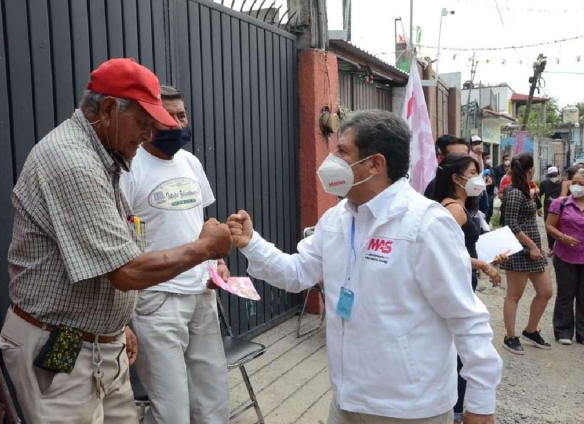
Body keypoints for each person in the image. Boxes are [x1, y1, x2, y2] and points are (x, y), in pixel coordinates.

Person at [227, 110, 503, 424]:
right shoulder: (337, 218)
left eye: (342, 151)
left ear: (375, 163)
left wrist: (480, 404)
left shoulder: (425, 225)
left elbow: (466, 317)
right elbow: (297, 273)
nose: (331, 160)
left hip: (408, 408)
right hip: (347, 398)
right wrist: (253, 244)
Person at [0, 59, 232, 424]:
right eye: (143, 123)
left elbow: (103, 257)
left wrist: (116, 323)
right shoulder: (72, 163)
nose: (149, 135)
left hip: (98, 344)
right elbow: (124, 271)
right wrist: (205, 248)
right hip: (62, 347)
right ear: (109, 109)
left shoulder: (104, 154)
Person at [120, 86, 229, 424]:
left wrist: (216, 262)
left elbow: (198, 224)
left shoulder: (190, 162)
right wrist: (123, 319)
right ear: (147, 121)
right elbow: (119, 246)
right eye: (168, 116)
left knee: (213, 399)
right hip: (156, 301)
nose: (178, 123)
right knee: (172, 411)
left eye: (182, 115)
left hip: (202, 293)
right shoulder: (129, 169)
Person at [434, 154, 503, 424]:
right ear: (456, 178)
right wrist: (483, 265)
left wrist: (488, 257)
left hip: (465, 279)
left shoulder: (462, 207)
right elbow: (448, 254)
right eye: (473, 172)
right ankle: (459, 409)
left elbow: (462, 248)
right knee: (462, 350)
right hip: (458, 282)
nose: (480, 178)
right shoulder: (454, 209)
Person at [500, 153, 553, 355]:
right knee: (515, 295)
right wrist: (531, 246)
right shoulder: (513, 192)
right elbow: (510, 224)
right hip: (519, 250)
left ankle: (530, 331)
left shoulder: (525, 190)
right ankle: (510, 336)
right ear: (530, 169)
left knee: (546, 291)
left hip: (534, 251)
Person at [545, 171, 584, 345]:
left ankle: (582, 333)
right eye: (574, 182)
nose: (577, 186)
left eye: (581, 183)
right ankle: (563, 331)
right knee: (566, 294)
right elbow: (549, 226)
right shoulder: (560, 204)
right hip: (565, 256)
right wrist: (562, 237)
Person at [424, 135, 470, 199]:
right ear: (443, 158)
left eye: (464, 156)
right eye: (455, 156)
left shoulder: (474, 183)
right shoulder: (435, 186)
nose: (461, 160)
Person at [539, 166, 563, 255]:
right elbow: (539, 195)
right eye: (551, 175)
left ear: (559, 173)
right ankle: (552, 248)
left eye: (555, 175)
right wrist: (538, 207)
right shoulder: (544, 183)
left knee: (561, 228)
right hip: (549, 209)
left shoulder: (564, 184)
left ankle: (560, 247)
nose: (553, 177)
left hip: (561, 210)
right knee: (549, 228)